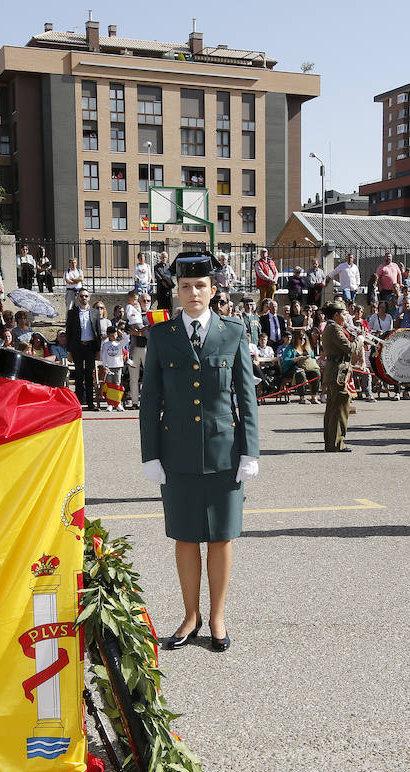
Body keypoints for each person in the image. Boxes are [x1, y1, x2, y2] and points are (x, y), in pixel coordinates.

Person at [139, 251, 259, 654]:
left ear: (213, 289)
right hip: (177, 455)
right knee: (186, 538)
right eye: (186, 286)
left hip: (225, 452)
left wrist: (250, 451)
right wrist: (151, 454)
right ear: (177, 290)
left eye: (201, 286)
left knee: (222, 538)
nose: (193, 293)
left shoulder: (234, 332)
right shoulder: (161, 335)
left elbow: (246, 395)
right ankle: (190, 616)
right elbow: (149, 397)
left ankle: (217, 616)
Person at [320, 301, 356, 451]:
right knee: (339, 409)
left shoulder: (332, 327)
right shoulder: (334, 328)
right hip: (338, 371)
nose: (345, 316)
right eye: (343, 314)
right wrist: (359, 341)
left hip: (335, 370)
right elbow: (348, 348)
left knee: (333, 408)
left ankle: (331, 443)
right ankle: (336, 443)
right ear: (336, 314)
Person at [66, 291, 102, 410]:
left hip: (91, 347)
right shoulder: (72, 313)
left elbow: (98, 332)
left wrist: (98, 350)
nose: (84, 298)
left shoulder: (95, 312)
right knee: (79, 375)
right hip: (77, 347)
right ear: (78, 298)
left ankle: (90, 403)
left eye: (86, 296)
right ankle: (79, 402)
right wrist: (69, 351)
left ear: (89, 298)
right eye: (81, 296)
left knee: (89, 375)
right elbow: (69, 333)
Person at [278, 329, 320, 404]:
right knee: (300, 373)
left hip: (307, 367)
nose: (302, 340)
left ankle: (314, 397)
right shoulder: (290, 348)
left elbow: (313, 358)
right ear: (296, 339)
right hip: (291, 369)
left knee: (316, 373)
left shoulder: (307, 347)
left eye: (304, 338)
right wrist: (296, 359)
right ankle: (302, 398)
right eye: (300, 338)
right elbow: (285, 361)